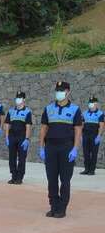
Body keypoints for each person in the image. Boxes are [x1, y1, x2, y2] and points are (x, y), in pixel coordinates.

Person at [39, 81, 83, 219]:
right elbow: (43, 129)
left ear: (68, 91)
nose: (59, 92)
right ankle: (53, 206)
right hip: (50, 147)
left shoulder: (75, 109)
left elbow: (78, 130)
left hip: (66, 148)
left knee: (65, 180)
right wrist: (41, 147)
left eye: (62, 90)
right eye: (57, 90)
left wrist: (75, 148)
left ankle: (62, 208)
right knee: (51, 179)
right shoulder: (48, 108)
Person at [3, 92, 32, 185]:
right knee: (12, 157)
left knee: (22, 158)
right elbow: (7, 124)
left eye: (20, 98)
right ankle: (13, 176)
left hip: (22, 138)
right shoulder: (11, 111)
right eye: (17, 97)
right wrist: (7, 137)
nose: (18, 99)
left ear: (24, 99)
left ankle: (19, 177)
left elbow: (28, 126)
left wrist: (27, 139)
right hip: (12, 137)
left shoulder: (27, 111)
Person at [80, 96, 104, 175]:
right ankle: (86, 169)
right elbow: (82, 125)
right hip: (85, 135)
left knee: (94, 153)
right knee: (86, 152)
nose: (90, 104)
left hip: (94, 135)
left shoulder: (100, 114)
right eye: (90, 102)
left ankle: (92, 170)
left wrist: (99, 136)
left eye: (92, 102)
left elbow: (101, 126)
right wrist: (80, 135)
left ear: (96, 104)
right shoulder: (84, 113)